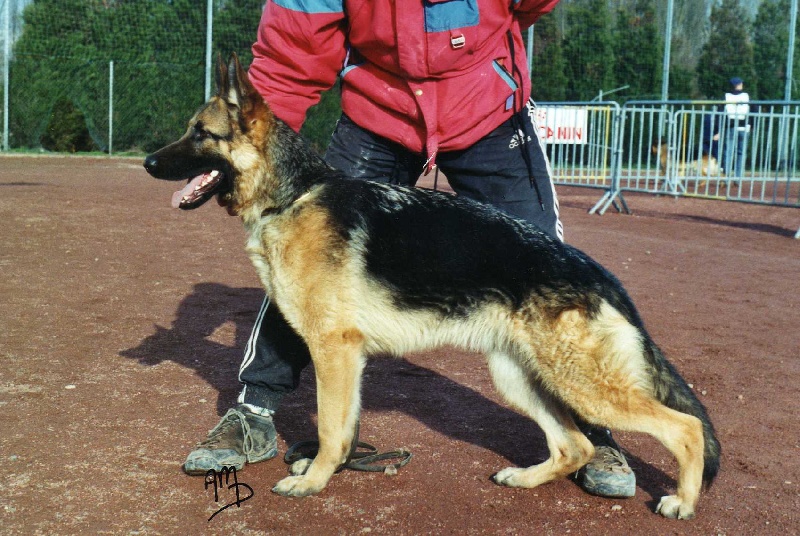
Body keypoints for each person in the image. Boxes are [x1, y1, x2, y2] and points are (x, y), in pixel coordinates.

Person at [183, 0, 636, 499]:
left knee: (548, 270)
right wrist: (257, 153)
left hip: (486, 108)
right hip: (380, 109)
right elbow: (291, 50)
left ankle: (592, 428)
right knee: (304, 260)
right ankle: (255, 409)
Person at [723, 77, 751, 180]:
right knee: (741, 153)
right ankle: (738, 177)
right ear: (739, 85)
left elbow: (721, 111)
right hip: (744, 127)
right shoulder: (746, 96)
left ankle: (726, 177)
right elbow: (753, 109)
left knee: (728, 152)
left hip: (730, 126)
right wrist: (752, 125)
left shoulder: (726, 96)